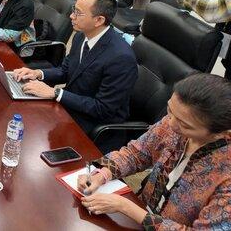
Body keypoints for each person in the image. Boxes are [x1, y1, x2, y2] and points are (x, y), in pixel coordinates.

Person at [76, 73, 231, 229]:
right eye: (169, 110)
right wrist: (103, 174)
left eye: (184, 125)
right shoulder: (173, 122)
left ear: (221, 133)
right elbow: (136, 154)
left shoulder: (226, 175)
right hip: (139, 212)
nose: (171, 123)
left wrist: (126, 207)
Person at [13, 0, 137, 152]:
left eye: (78, 13)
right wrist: (37, 73)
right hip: (70, 109)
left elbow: (102, 109)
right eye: (73, 10)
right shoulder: (81, 36)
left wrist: (56, 93)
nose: (71, 16)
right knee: (21, 118)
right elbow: (66, 71)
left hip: (93, 126)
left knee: (31, 138)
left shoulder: (121, 58)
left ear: (99, 20)